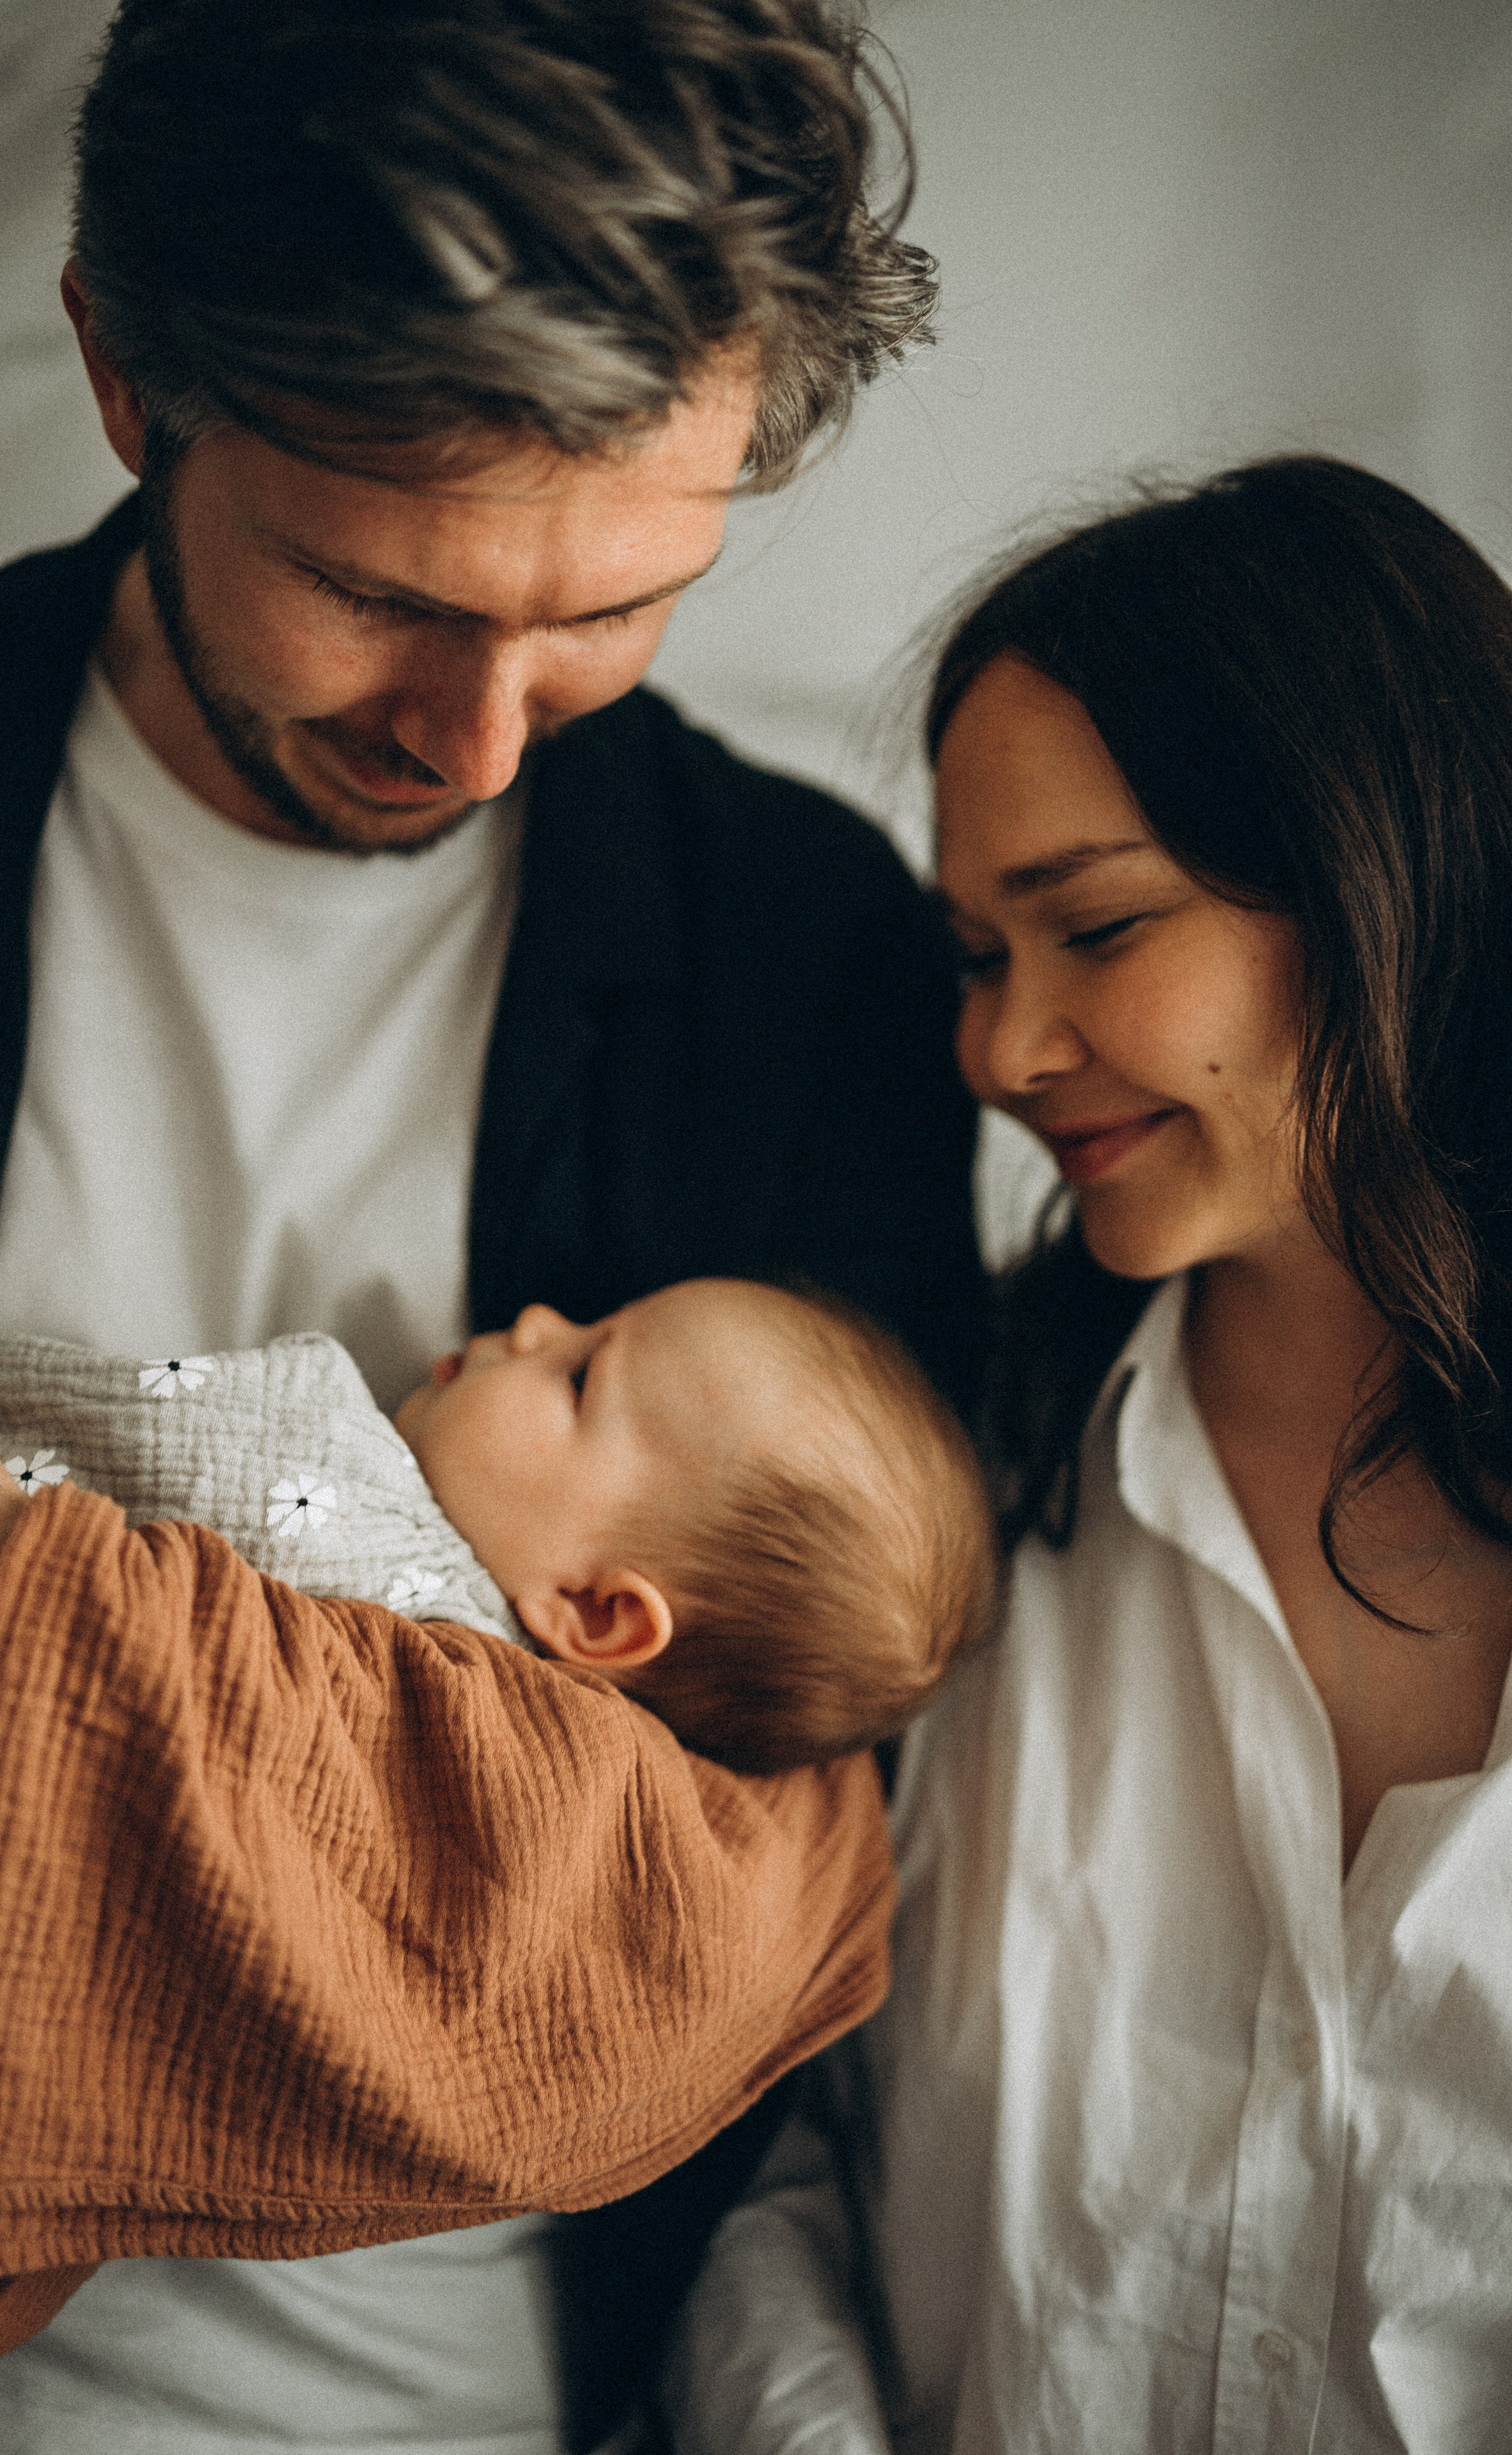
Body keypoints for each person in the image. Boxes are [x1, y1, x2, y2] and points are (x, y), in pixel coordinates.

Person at [0, 1, 983, 2448]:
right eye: (378, 588)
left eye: (611, 606)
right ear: (120, 369)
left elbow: (750, 1888)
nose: (479, 740)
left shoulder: (804, 962)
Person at [668, 455, 1512, 2452]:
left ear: (1397, 878)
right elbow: (761, 2142)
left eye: (1098, 928)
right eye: (978, 955)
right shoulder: (938, 1502)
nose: (1004, 1049)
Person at [0, 1281, 991, 1775]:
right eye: (590, 1315)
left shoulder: (419, 1663)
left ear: (594, 1609)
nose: (536, 1319)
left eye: (579, 1374)